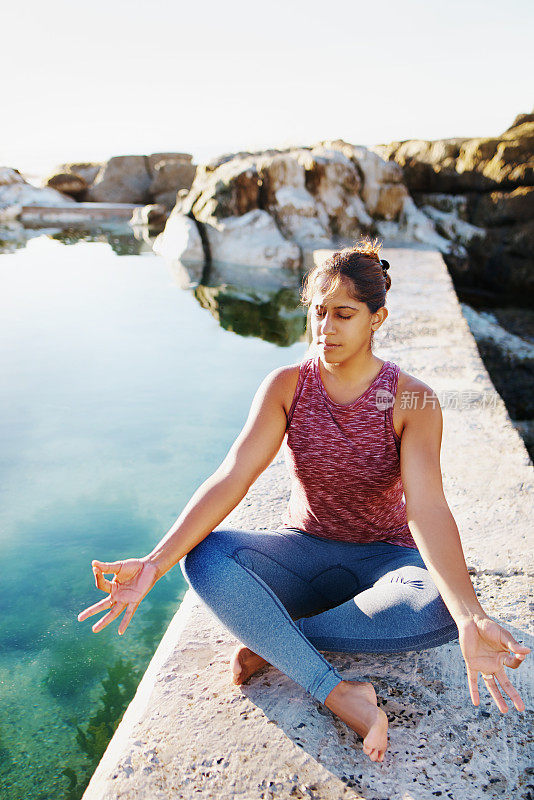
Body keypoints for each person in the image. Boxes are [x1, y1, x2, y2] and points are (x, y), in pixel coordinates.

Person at [78, 237, 530, 764]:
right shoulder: (286, 386)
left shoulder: (412, 398)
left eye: (344, 314)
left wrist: (471, 614)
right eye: (319, 312)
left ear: (376, 319)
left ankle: (274, 642)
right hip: (303, 553)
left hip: (387, 562)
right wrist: (155, 563)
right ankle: (335, 690)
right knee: (206, 557)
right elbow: (232, 477)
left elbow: (426, 507)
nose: (326, 328)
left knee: (436, 608)